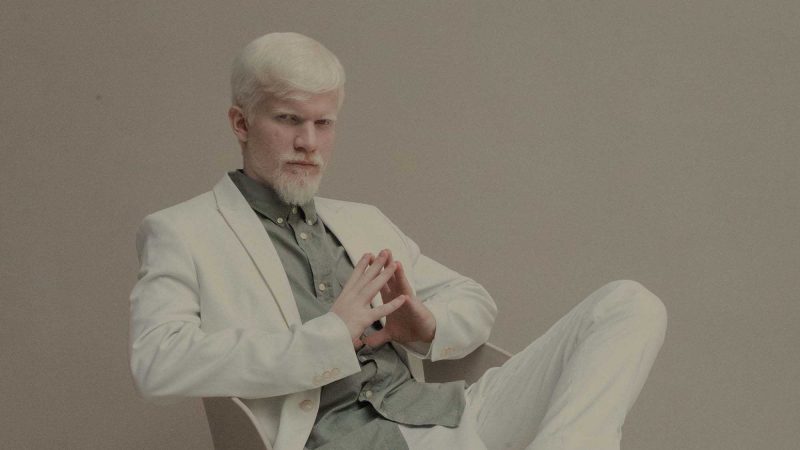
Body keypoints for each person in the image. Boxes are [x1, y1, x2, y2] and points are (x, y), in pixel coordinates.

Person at [129, 32, 667, 450]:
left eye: (324, 123)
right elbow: (158, 359)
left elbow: (476, 302)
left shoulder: (363, 221)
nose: (308, 143)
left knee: (628, 304)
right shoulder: (183, 231)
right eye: (289, 119)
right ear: (240, 123)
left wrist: (424, 327)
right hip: (340, 440)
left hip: (457, 415)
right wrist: (328, 336)